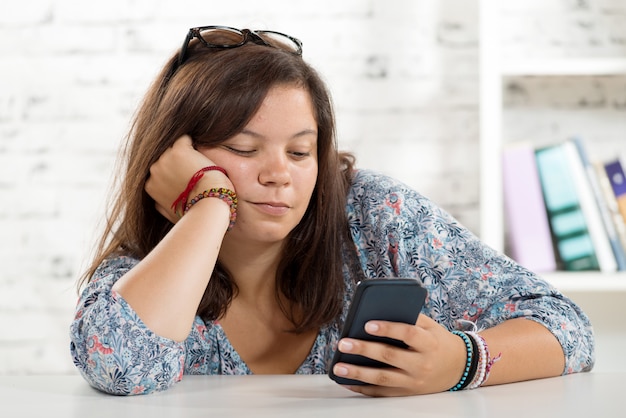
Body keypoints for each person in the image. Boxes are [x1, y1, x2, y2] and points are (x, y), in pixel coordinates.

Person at [70, 25, 594, 396]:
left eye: (300, 152)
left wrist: (459, 362)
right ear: (175, 158)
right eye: (243, 149)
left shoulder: (374, 215)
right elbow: (121, 368)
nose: (279, 174)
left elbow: (568, 329)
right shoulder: (141, 270)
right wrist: (208, 204)